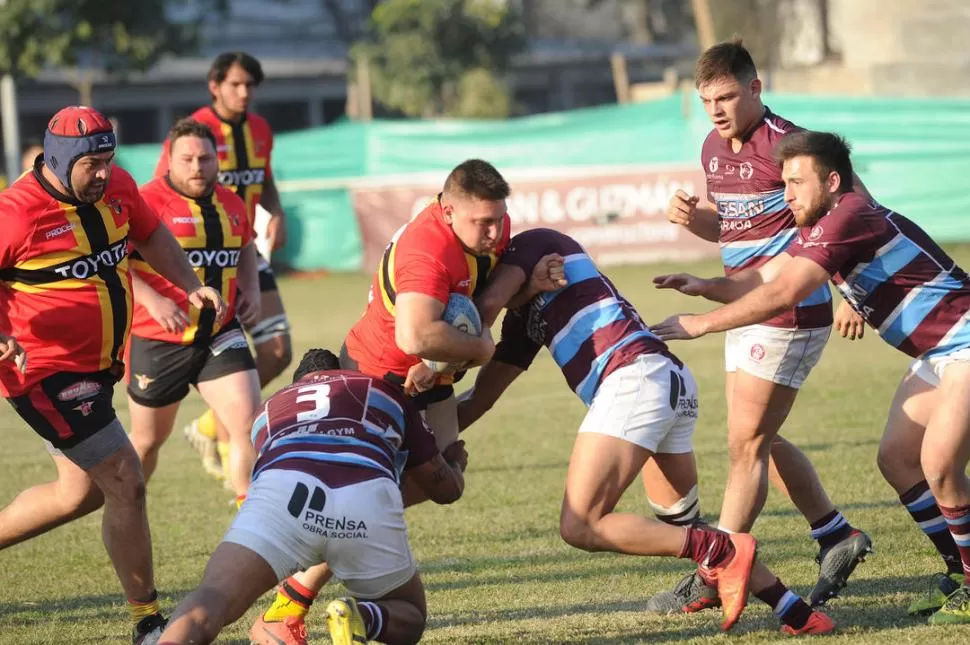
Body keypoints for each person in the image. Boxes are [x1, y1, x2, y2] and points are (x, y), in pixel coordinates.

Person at [652, 129, 970, 625]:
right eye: (784, 183)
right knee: (898, 459)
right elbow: (767, 277)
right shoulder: (823, 225)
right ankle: (958, 570)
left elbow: (786, 293)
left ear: (833, 181)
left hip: (966, 343)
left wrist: (700, 325)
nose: (788, 194)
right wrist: (706, 287)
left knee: (940, 465)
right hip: (938, 355)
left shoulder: (849, 215)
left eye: (797, 182)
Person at [456, 227, 835, 635]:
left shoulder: (535, 243)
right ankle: (796, 612)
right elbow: (480, 398)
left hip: (634, 380)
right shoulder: (523, 320)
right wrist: (421, 437)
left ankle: (726, 547)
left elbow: (488, 302)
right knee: (681, 528)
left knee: (581, 525)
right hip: (665, 380)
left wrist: (441, 345)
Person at [248, 158, 511, 644]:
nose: (495, 231)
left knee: (446, 477)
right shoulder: (427, 250)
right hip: (375, 380)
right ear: (448, 211)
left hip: (428, 380)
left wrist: (530, 280)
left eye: (499, 218)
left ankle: (297, 600)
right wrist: (481, 348)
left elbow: (507, 273)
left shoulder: (487, 226)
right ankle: (284, 610)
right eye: (483, 222)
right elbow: (415, 335)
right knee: (365, 500)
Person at [651, 37, 871, 613]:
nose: (717, 110)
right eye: (707, 101)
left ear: (756, 88)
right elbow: (729, 229)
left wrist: (851, 291)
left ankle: (712, 568)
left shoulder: (792, 146)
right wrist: (694, 218)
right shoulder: (711, 147)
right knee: (757, 440)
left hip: (791, 311)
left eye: (727, 96)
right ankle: (834, 533)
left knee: (745, 445)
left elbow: (856, 209)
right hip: (748, 306)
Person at [0, 106, 226, 643]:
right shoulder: (15, 212)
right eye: (90, 164)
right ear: (57, 160)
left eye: (108, 160)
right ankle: (147, 620)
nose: (103, 173)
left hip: (99, 367)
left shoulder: (119, 188)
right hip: (42, 371)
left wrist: (189, 283)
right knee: (126, 477)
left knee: (78, 495)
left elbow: (151, 237)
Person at [155, 348, 469, 645]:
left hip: (284, 492)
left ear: (298, 383)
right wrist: (454, 465)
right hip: (361, 496)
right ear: (341, 373)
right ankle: (362, 616)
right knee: (409, 613)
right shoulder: (380, 390)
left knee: (213, 598)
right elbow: (444, 490)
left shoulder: (267, 410)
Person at [154, 51, 293, 483]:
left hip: (244, 251)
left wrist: (278, 212)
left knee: (278, 351)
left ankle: (210, 427)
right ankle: (225, 425)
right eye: (235, 84)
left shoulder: (261, 129)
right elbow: (162, 192)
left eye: (250, 85)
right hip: (196, 265)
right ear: (214, 86)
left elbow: (262, 177)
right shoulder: (193, 133)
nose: (244, 92)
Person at [127, 118, 262, 504]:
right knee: (148, 441)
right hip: (158, 339)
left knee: (247, 426)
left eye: (205, 159)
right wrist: (154, 301)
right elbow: (114, 264)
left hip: (220, 332)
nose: (197, 167)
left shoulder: (231, 201)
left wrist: (250, 287)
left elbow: (247, 244)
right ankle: (128, 505)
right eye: (186, 159)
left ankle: (251, 524)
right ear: (169, 160)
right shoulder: (146, 202)